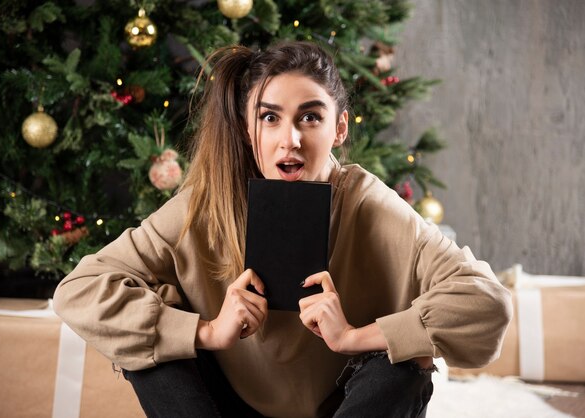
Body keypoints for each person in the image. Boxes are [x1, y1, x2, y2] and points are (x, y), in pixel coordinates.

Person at [53, 41, 512, 418]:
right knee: (153, 356)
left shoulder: (370, 203)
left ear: (339, 128)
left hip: (340, 407)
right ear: (248, 128)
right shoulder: (206, 203)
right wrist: (208, 332)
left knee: (404, 367)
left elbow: (487, 304)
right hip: (225, 406)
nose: (289, 139)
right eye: (270, 117)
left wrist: (354, 336)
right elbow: (79, 291)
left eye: (310, 117)